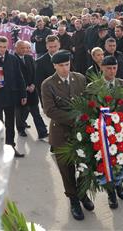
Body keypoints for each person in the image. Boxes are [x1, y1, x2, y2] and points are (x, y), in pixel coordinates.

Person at [41, 50, 93, 221]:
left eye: (67, 65)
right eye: (61, 66)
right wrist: (75, 118)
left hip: (81, 133)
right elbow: (50, 110)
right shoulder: (47, 84)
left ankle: (82, 193)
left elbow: (86, 100)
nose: (65, 69)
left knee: (85, 166)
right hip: (61, 134)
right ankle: (74, 200)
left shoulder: (79, 78)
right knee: (67, 170)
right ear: (54, 66)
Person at [86, 55, 123, 209]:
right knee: (105, 164)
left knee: (122, 160)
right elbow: (89, 112)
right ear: (101, 68)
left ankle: (119, 184)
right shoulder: (93, 87)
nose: (112, 71)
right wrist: (97, 128)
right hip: (101, 134)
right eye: (108, 68)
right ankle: (111, 193)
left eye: (114, 68)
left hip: (121, 133)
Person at [14, 41, 48, 139]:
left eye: (26, 48)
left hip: (32, 90)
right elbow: (13, 77)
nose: (25, 50)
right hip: (20, 91)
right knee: (21, 112)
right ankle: (20, 128)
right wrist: (24, 87)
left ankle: (42, 132)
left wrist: (33, 84)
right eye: (22, 48)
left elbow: (35, 72)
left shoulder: (29, 58)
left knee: (35, 112)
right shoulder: (12, 60)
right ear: (16, 48)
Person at [35, 35, 60, 106]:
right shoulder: (40, 62)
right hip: (51, 99)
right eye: (50, 47)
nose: (53, 49)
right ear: (46, 46)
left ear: (59, 45)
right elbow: (39, 84)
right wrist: (44, 103)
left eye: (55, 46)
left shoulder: (67, 57)